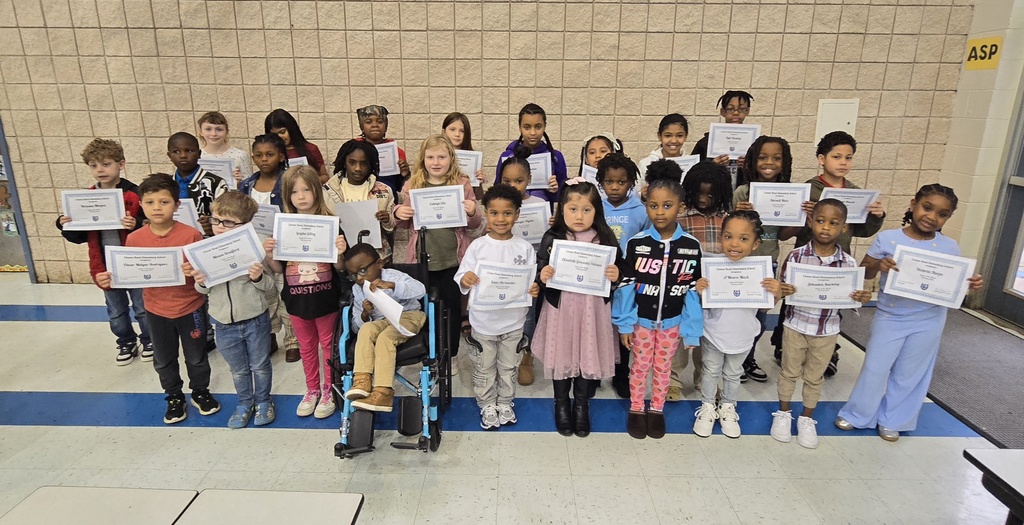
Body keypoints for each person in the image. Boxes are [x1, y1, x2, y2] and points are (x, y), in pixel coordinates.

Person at [836, 184, 984, 442]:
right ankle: (859, 414)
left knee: (911, 371)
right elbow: (865, 271)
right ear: (913, 203)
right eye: (927, 208)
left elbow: (954, 289)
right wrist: (879, 265)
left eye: (942, 214)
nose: (932, 217)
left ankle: (895, 419)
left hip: (930, 318)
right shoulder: (890, 238)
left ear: (948, 218)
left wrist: (968, 285)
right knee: (875, 367)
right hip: (890, 315)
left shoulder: (949, 247)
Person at [95, 173, 220, 424]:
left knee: (196, 356)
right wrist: (110, 279)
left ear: (177, 205)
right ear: (141, 205)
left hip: (191, 308)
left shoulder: (191, 235)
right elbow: (128, 274)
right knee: (164, 359)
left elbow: (205, 274)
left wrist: (195, 273)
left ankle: (200, 391)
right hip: (156, 310)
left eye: (164, 202)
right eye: (150, 202)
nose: (157, 208)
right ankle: (174, 396)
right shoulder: (134, 239)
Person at [774, 131, 886, 376]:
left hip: (838, 260)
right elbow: (786, 231)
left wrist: (876, 217)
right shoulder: (808, 190)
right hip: (806, 260)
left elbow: (862, 230)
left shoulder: (856, 194)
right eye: (837, 156)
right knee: (795, 300)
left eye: (848, 157)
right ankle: (784, 345)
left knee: (833, 303)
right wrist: (805, 216)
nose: (843, 162)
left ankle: (829, 349)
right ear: (822, 159)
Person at [770, 199, 872, 449]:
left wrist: (861, 297)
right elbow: (781, 290)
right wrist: (782, 290)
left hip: (827, 330)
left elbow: (853, 297)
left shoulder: (848, 263)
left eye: (833, 223)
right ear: (810, 222)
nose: (826, 227)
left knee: (815, 377)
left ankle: (806, 418)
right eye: (820, 221)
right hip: (795, 325)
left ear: (844, 228)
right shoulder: (795, 256)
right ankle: (783, 413)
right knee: (789, 372)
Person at [613, 165, 702, 440]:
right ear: (646, 206)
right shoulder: (637, 244)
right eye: (653, 205)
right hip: (641, 321)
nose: (660, 212)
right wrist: (625, 324)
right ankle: (637, 408)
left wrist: (692, 328)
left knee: (664, 368)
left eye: (667, 205)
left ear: (681, 207)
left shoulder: (690, 245)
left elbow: (691, 289)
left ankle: (657, 409)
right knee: (639, 365)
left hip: (672, 323)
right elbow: (626, 287)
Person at [534, 177, 623, 438]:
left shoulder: (605, 237)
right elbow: (540, 269)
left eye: (587, 209)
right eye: (573, 209)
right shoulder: (553, 237)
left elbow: (619, 273)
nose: (579, 215)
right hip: (561, 309)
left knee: (588, 353)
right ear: (561, 209)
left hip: (592, 309)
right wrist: (544, 273)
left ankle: (581, 405)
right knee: (561, 354)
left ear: (597, 211)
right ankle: (561, 404)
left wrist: (615, 274)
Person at [692, 211, 789, 439]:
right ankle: (707, 407)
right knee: (710, 371)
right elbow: (700, 304)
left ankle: (728, 407)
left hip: (743, 334)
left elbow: (765, 308)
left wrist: (776, 294)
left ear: (756, 244)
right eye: (728, 237)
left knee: (733, 373)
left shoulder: (760, 272)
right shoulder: (711, 266)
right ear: (721, 238)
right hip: (713, 332)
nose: (734, 244)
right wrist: (699, 290)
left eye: (743, 239)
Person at [261, 166, 349, 419]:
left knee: (328, 348)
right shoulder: (284, 228)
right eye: (294, 191)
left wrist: (340, 252)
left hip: (325, 299)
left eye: (306, 190)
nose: (301, 196)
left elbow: (341, 268)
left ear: (316, 192)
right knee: (306, 348)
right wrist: (269, 254)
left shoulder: (331, 225)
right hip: (296, 300)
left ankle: (329, 389)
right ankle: (311, 389)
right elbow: (278, 269)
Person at [183, 192, 275, 428]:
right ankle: (244, 403)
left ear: (245, 225)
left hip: (255, 318)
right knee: (238, 369)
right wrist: (201, 282)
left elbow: (270, 287)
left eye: (229, 222)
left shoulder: (255, 249)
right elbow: (203, 291)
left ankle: (263, 401)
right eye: (216, 221)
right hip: (223, 322)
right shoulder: (205, 250)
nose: (220, 227)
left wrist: (257, 278)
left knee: (260, 365)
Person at [394, 135, 482, 377]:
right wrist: (398, 212)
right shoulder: (412, 185)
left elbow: (475, 224)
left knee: (451, 311)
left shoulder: (462, 184)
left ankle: (451, 355)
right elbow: (401, 226)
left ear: (451, 158)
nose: (436, 162)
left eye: (441, 156)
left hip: (453, 261)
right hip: (422, 262)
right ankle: (430, 355)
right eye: (430, 157)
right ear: (422, 159)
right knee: (425, 311)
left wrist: (473, 211)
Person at [56, 138, 150, 365]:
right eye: (94, 165)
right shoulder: (83, 199)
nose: (100, 170)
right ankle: (125, 341)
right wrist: (64, 224)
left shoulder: (136, 193)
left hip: (133, 262)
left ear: (121, 164)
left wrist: (136, 223)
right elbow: (77, 237)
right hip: (104, 264)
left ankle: (149, 339)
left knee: (142, 307)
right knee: (116, 310)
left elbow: (150, 224)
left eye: (106, 164)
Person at [456, 184, 541, 429]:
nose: (501, 218)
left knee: (508, 366)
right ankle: (486, 404)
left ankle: (505, 402)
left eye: (507, 213)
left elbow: (529, 282)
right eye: (494, 213)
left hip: (513, 323)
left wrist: (533, 289)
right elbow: (462, 275)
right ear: (486, 214)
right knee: (484, 368)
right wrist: (466, 279)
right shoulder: (478, 246)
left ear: (517, 215)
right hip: (483, 323)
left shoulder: (524, 248)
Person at [669, 160, 733, 402]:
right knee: (678, 338)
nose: (704, 199)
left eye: (711, 194)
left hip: (716, 293)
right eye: (699, 193)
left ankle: (704, 379)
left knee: (709, 341)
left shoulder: (728, 220)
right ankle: (671, 380)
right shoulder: (680, 219)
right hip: (683, 291)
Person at [733, 136, 794, 383]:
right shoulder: (742, 192)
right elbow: (733, 228)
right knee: (737, 315)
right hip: (741, 263)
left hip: (768, 263)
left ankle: (748, 358)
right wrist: (740, 213)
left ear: (784, 162)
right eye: (762, 157)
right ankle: (734, 359)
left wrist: (802, 219)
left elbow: (785, 233)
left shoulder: (789, 193)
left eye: (776, 158)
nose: (769, 162)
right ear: (752, 161)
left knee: (759, 317)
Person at [343, 243, 427, 413]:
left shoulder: (393, 276)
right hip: (382, 321)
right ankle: (362, 379)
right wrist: (365, 315)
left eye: (362, 271)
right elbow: (356, 326)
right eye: (353, 275)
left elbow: (421, 290)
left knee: (385, 338)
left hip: (408, 315)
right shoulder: (357, 290)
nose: (359, 278)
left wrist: (391, 286)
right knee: (366, 331)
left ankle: (383, 391)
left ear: (379, 264)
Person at [239, 133, 298, 361]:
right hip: (255, 250)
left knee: (285, 293)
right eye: (259, 155)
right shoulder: (247, 185)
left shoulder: (288, 182)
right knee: (264, 295)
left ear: (281, 156)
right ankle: (270, 335)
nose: (264, 160)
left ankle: (292, 340)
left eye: (270, 155)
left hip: (282, 248)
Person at [598, 153, 650, 399]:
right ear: (601, 182)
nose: (615, 186)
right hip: (598, 277)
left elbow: (647, 242)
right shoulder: (595, 207)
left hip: (628, 279)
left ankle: (621, 375)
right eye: (610, 181)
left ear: (631, 183)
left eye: (621, 182)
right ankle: (595, 372)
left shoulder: (640, 211)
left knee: (624, 325)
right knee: (598, 325)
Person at [497, 146, 547, 386]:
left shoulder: (539, 203)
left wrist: (552, 225)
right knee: (504, 311)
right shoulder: (498, 206)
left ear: (529, 180)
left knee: (528, 316)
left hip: (531, 269)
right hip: (503, 270)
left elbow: (549, 241)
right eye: (507, 180)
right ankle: (503, 354)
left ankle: (527, 357)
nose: (513, 185)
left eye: (519, 180)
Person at [324, 139, 396, 262]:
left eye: (364, 163)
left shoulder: (384, 191)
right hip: (343, 255)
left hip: (376, 256)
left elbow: (391, 228)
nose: (358, 168)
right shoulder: (328, 191)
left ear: (371, 164)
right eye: (352, 162)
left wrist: (387, 219)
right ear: (344, 162)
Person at [494, 103, 566, 205]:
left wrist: (554, 191)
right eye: (527, 127)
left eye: (538, 127)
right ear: (520, 127)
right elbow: (497, 191)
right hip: (512, 216)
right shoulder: (507, 157)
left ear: (545, 126)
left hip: (541, 216)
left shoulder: (555, 158)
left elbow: (564, 197)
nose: (533, 133)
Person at [167, 132, 228, 237]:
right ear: (169, 156)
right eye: (176, 152)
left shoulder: (216, 183)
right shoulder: (165, 184)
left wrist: (213, 224)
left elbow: (228, 217)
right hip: (173, 240)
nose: (183, 156)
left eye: (189, 151)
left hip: (205, 241)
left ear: (199, 154)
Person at [690, 90, 755, 188]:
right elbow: (692, 173)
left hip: (742, 196)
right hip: (714, 194)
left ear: (748, 111)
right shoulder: (705, 143)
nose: (736, 113)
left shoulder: (755, 144)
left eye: (741, 109)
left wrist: (749, 166)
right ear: (722, 112)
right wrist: (712, 165)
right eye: (730, 109)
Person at [264, 108, 329, 184]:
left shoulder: (311, 149)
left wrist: (310, 182)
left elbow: (325, 176)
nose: (280, 137)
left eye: (282, 132)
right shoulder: (270, 153)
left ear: (291, 129)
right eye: (274, 135)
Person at [356, 105, 410, 195]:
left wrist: (404, 174)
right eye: (368, 122)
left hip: (389, 198)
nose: (375, 125)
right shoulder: (354, 150)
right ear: (362, 127)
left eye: (380, 122)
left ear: (386, 126)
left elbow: (401, 187)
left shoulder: (396, 152)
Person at [197, 111, 252, 188]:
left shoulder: (239, 155)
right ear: (201, 132)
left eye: (219, 129)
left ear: (226, 131)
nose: (214, 134)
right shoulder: (197, 156)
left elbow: (249, 186)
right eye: (208, 129)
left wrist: (239, 183)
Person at [636, 114, 689, 185]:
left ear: (686, 136)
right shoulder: (645, 164)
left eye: (679, 136)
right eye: (668, 136)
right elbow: (635, 191)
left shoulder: (692, 165)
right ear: (659, 136)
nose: (673, 141)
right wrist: (642, 193)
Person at [442, 112, 485, 200]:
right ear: (444, 132)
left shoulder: (473, 159)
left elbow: (478, 196)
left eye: (462, 131)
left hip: (465, 207)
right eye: (452, 129)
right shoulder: (435, 156)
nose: (457, 134)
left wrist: (479, 182)